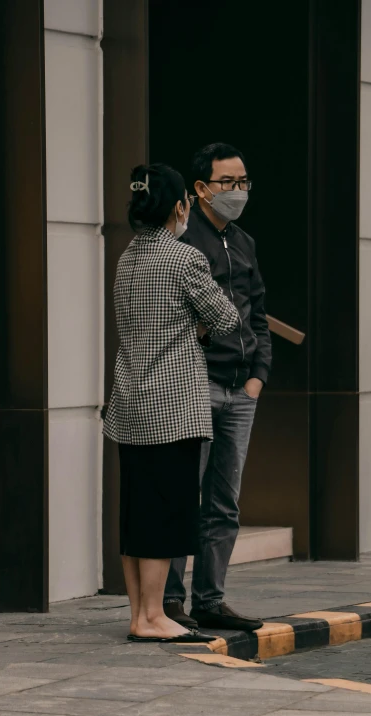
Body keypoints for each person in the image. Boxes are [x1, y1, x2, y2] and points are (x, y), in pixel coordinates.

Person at [103, 162, 239, 643]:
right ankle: (156, 616)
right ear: (180, 206)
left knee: (136, 512)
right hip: (173, 405)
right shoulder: (184, 259)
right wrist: (196, 326)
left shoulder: (127, 257)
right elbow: (225, 320)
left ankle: (140, 614)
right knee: (166, 512)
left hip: (129, 399)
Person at [164, 143, 272, 633]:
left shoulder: (244, 242)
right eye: (228, 183)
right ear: (202, 189)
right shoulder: (185, 244)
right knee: (185, 496)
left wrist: (257, 378)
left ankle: (211, 600)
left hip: (240, 392)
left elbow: (258, 315)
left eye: (243, 182)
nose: (238, 191)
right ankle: (170, 602)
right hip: (198, 386)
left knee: (225, 503)